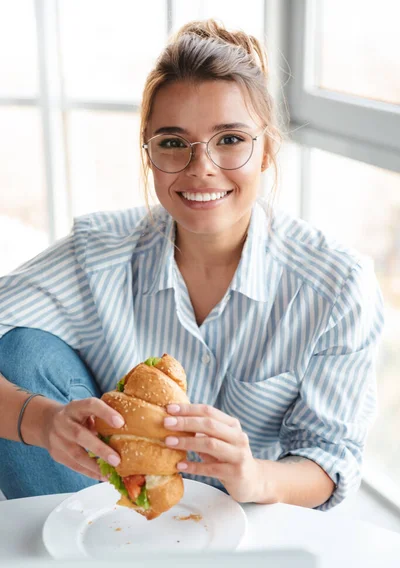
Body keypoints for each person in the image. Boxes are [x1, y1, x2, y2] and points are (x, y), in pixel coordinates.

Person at [0, 20, 384, 510]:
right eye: (174, 142)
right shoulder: (98, 252)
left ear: (266, 149)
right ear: (149, 153)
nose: (201, 167)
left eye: (229, 139)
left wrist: (256, 476)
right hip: (105, 503)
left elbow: (331, 460)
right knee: (19, 352)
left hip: (247, 517)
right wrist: (41, 421)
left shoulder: (337, 286)